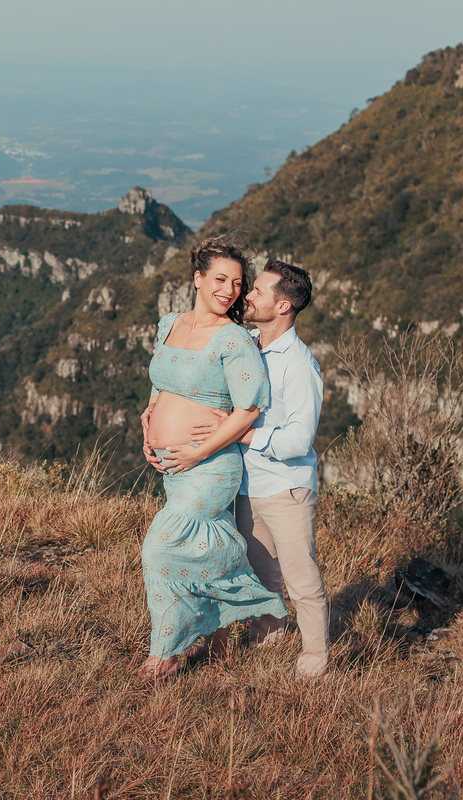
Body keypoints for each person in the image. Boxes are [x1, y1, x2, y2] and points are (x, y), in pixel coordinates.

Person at [137, 236, 289, 683]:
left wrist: (199, 450)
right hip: (174, 468)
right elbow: (162, 379)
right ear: (198, 278)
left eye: (238, 283)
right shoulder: (170, 324)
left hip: (210, 467)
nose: (230, 290)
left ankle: (163, 654)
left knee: (160, 548)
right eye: (220, 279)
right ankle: (217, 640)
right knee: (204, 551)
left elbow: (249, 409)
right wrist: (149, 420)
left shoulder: (234, 340)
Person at [192, 259, 328, 679]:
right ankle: (266, 645)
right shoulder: (248, 345)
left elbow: (296, 440)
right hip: (248, 485)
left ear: (283, 306)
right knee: (261, 574)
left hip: (286, 489)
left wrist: (240, 433)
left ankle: (315, 661)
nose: (247, 295)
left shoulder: (299, 365)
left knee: (301, 579)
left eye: (259, 291)